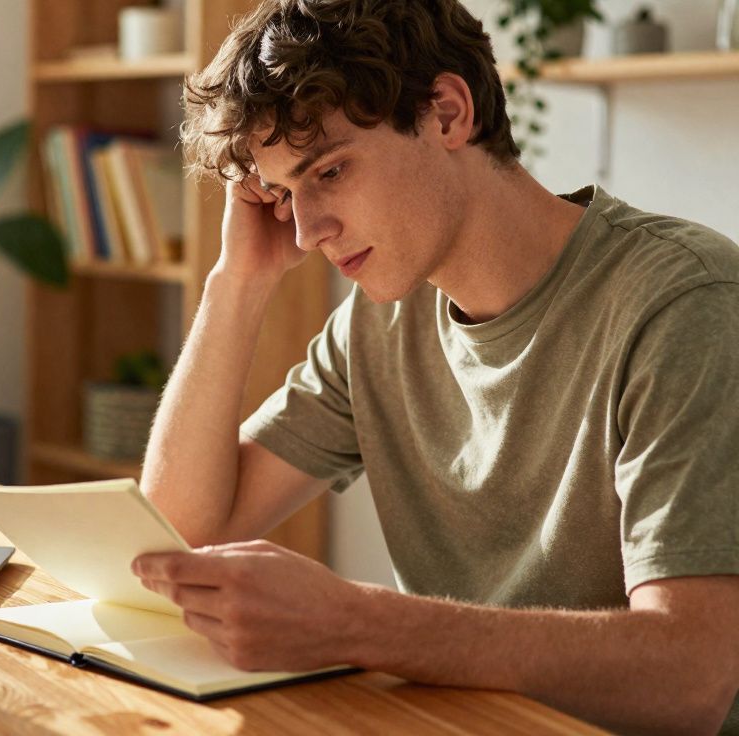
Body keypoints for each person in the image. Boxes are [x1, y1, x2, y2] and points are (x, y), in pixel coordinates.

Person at [131, 0, 739, 732]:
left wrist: (355, 623)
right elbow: (177, 535)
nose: (307, 230)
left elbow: (691, 675)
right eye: (285, 193)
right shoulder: (377, 322)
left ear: (447, 113)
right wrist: (238, 282)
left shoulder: (685, 303)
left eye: (329, 170)